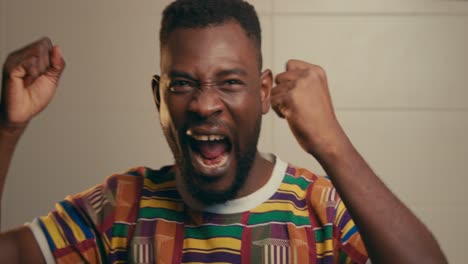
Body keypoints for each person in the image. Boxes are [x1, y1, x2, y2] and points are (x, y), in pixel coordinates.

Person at [0, 0, 447, 263]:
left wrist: (330, 144)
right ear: (158, 98)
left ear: (265, 92)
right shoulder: (117, 208)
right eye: (183, 84)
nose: (204, 104)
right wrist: (7, 127)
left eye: (230, 82)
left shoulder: (324, 209)